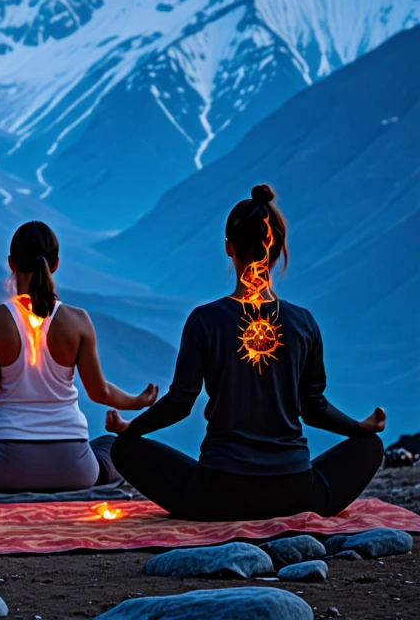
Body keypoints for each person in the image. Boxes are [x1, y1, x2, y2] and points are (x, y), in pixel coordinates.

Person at [108, 184, 386, 521]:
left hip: (217, 494)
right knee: (370, 446)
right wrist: (359, 427)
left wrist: (130, 428)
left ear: (228, 247)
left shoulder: (204, 320)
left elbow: (181, 402)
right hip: (297, 493)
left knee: (124, 450)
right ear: (280, 250)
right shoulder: (304, 322)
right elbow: (314, 409)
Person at [0, 220, 159, 492]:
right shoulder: (78, 320)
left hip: (7, 469)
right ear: (55, 265)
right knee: (112, 445)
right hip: (75, 469)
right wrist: (137, 402)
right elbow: (99, 391)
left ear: (11, 263)